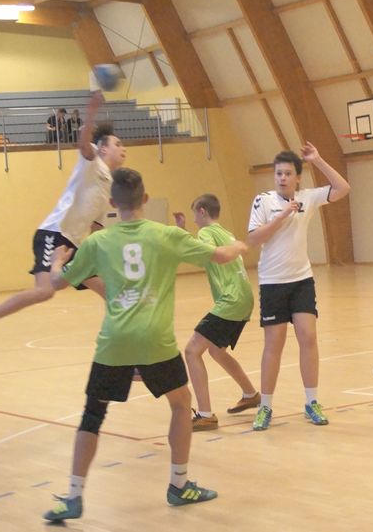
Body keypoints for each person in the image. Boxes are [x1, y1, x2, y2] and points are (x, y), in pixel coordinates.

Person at [42, 168, 248, 522]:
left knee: (93, 415)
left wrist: (58, 261)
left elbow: (57, 283)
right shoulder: (165, 234)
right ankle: (179, 485)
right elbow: (221, 256)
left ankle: (74, 496)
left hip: (114, 343)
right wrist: (240, 245)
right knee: (181, 405)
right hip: (156, 342)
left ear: (112, 203)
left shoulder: (97, 242)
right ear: (146, 199)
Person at [0, 91, 124, 347]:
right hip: (54, 233)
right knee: (44, 291)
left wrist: (99, 254)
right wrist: (91, 111)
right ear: (103, 148)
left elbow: (95, 226)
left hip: (73, 245)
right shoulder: (92, 162)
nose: (123, 148)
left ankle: (126, 340)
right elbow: (83, 144)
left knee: (106, 289)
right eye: (118, 144)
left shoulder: (108, 184)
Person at [246, 143, 350, 430]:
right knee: (274, 345)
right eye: (278, 173)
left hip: (301, 280)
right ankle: (265, 406)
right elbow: (254, 239)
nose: (282, 178)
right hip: (272, 283)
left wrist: (318, 159)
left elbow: (342, 188)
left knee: (308, 337)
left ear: (297, 177)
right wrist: (281, 216)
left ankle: (311, 402)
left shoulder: (308, 198)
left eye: (288, 173)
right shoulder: (263, 201)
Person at [173, 194, 259, 431]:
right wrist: (183, 232)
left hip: (231, 299)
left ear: (202, 211)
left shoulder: (206, 233)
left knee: (192, 351)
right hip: (244, 298)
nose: (194, 220)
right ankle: (250, 394)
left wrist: (180, 234)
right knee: (216, 350)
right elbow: (204, 257)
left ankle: (205, 415)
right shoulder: (226, 233)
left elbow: (205, 254)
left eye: (194, 215)